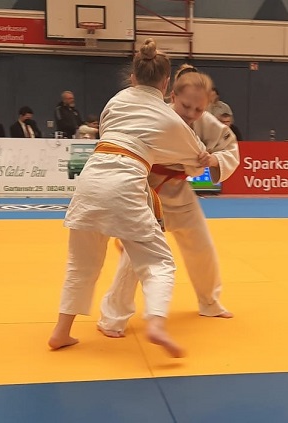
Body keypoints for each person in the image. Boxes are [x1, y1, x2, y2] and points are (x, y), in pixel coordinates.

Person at [48, 39, 209, 357]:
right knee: (159, 263)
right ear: (166, 84)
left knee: (80, 265)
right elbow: (195, 154)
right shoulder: (167, 117)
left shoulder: (115, 101)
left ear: (133, 77)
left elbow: (109, 133)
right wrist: (202, 157)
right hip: (125, 183)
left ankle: (61, 332)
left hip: (91, 179)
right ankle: (157, 324)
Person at [98, 64, 240, 338]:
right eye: (186, 106)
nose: (191, 113)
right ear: (172, 96)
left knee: (202, 248)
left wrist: (213, 159)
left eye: (198, 109)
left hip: (180, 193)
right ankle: (112, 319)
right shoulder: (153, 115)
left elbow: (229, 148)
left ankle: (209, 302)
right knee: (135, 258)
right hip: (148, 192)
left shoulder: (207, 123)